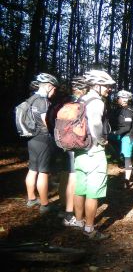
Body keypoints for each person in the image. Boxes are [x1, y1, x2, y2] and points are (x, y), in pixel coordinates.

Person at [72, 70, 115, 240]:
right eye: (106, 86)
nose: (109, 89)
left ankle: (79, 221)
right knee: (93, 191)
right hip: (93, 150)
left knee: (80, 187)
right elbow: (96, 123)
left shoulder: (81, 99)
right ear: (96, 85)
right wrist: (102, 141)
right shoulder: (97, 102)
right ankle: (89, 229)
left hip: (80, 150)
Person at [24, 73, 59, 214]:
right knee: (43, 172)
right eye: (55, 89)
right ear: (49, 86)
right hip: (43, 139)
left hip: (31, 138)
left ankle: (31, 199)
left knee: (33, 169)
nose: (54, 92)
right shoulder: (43, 101)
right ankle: (45, 204)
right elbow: (47, 122)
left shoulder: (31, 99)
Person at [61, 77, 89, 228]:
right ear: (83, 89)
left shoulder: (65, 101)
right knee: (74, 178)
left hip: (64, 142)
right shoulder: (80, 103)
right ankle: (69, 214)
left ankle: (66, 210)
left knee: (67, 176)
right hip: (75, 143)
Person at [112, 90, 133, 188]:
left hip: (128, 137)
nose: (117, 100)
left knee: (127, 158)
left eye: (119, 98)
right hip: (122, 136)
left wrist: (115, 133)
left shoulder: (128, 111)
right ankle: (119, 160)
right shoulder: (122, 110)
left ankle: (127, 180)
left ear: (124, 99)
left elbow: (127, 127)